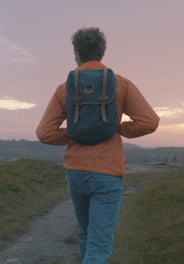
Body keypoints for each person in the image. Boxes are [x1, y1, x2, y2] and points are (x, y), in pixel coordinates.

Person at [36, 27, 159, 263]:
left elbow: (45, 133)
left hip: (75, 171)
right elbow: (149, 122)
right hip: (107, 172)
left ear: (76, 54)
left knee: (85, 233)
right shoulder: (121, 84)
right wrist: (117, 127)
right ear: (102, 52)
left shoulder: (65, 88)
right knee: (99, 244)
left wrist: (73, 133)